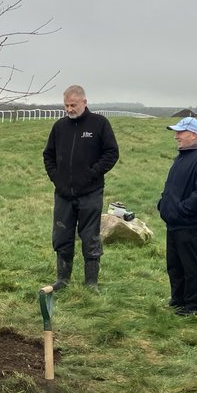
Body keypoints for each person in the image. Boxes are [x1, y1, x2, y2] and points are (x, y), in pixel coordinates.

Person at [41, 85, 119, 291]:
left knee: (90, 236)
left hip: (90, 193)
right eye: (66, 105)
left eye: (73, 105)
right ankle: (62, 279)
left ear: (84, 102)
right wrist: (57, 178)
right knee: (62, 235)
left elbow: (111, 153)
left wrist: (91, 174)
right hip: (63, 194)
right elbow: (48, 155)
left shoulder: (99, 124)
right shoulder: (59, 127)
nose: (69, 109)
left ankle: (91, 282)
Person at [157, 116, 197, 316]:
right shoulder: (182, 157)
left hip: (189, 224)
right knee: (174, 264)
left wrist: (182, 210)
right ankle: (178, 299)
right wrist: (163, 204)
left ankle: (193, 306)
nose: (176, 136)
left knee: (191, 266)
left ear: (193, 134)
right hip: (174, 223)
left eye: (180, 132)